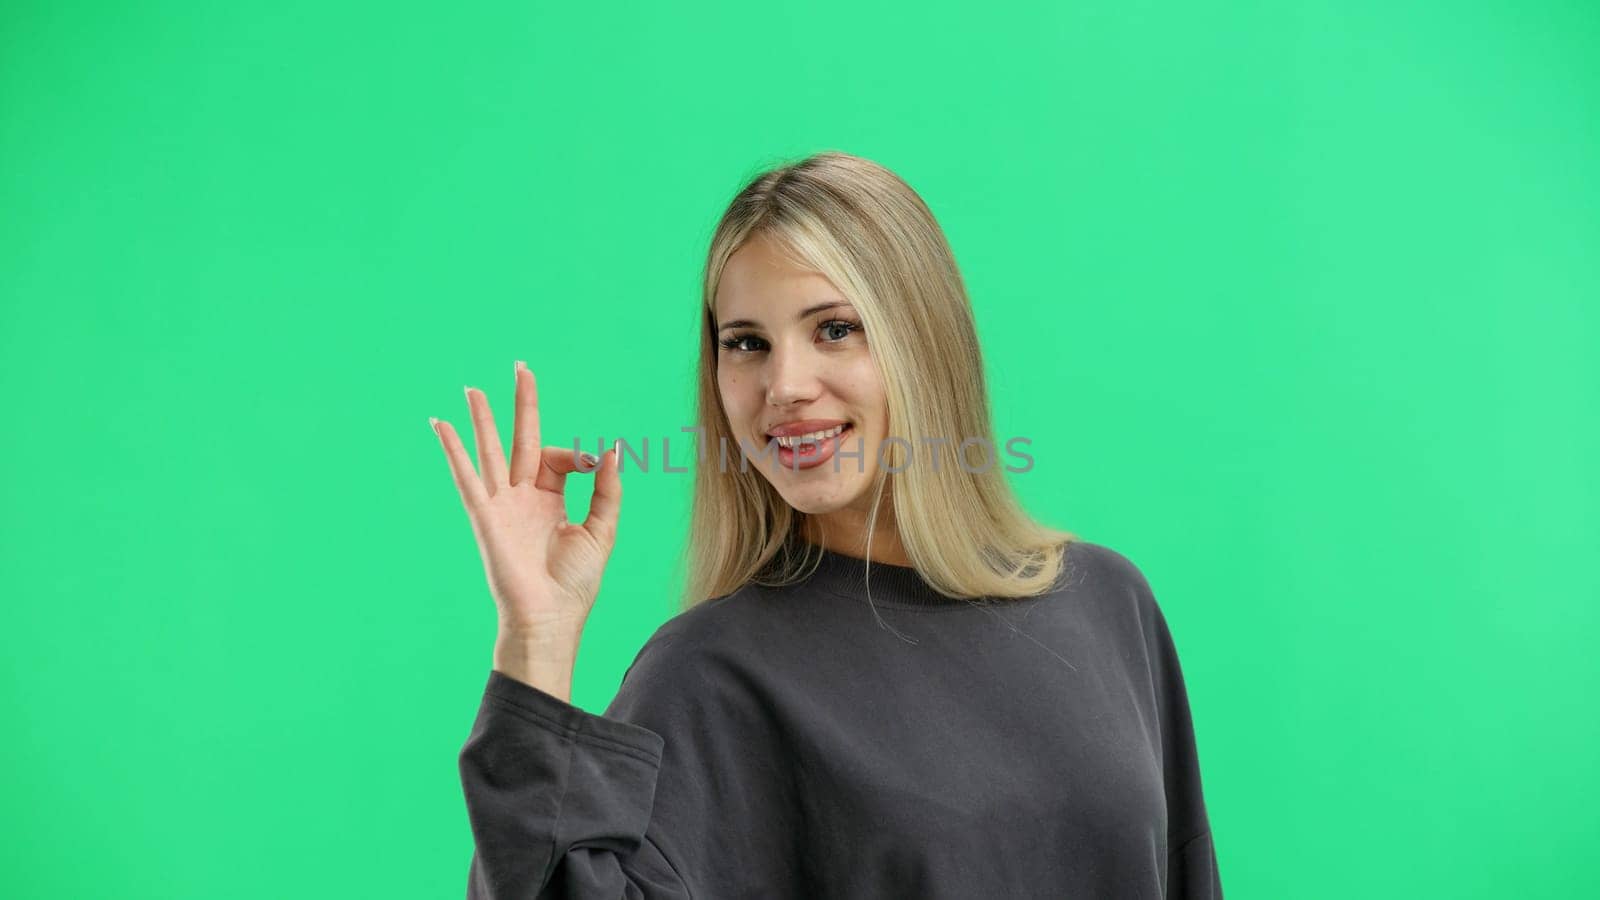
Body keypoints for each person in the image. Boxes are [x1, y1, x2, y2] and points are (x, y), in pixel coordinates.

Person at [430, 151, 1222, 898]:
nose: (784, 385)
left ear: (923, 342)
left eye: (834, 329)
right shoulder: (709, 674)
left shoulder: (1107, 602)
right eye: (746, 343)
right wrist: (536, 639)